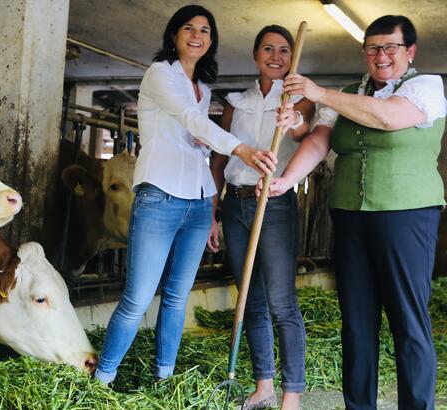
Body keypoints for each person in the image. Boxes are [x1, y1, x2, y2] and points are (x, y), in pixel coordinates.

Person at [93, 5, 294, 384]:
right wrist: (241, 149)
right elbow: (191, 119)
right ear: (174, 34)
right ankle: (102, 380)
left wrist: (205, 152)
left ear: (211, 41)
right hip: (159, 197)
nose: (197, 35)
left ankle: (164, 378)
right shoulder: (160, 74)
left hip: (199, 201)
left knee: (177, 296)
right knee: (138, 298)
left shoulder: (202, 88)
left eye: (205, 30)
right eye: (189, 27)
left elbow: (193, 135)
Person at [267, 15, 446, 410]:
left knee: (408, 323)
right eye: (372, 48)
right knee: (357, 323)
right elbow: (319, 140)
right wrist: (286, 179)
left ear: (409, 51)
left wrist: (318, 93)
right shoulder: (349, 92)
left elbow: (389, 117)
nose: (380, 56)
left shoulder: (427, 87)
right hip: (349, 215)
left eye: (390, 48)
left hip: (407, 215)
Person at [210, 25, 314, 410]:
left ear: (291, 58)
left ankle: (292, 396)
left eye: (284, 50)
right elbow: (219, 158)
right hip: (236, 204)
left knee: (281, 301)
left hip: (275, 204)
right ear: (255, 55)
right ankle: (264, 386)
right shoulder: (235, 102)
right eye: (268, 48)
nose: (276, 56)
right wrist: (213, 212)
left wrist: (292, 120)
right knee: (250, 300)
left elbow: (304, 133)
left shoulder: (298, 99)